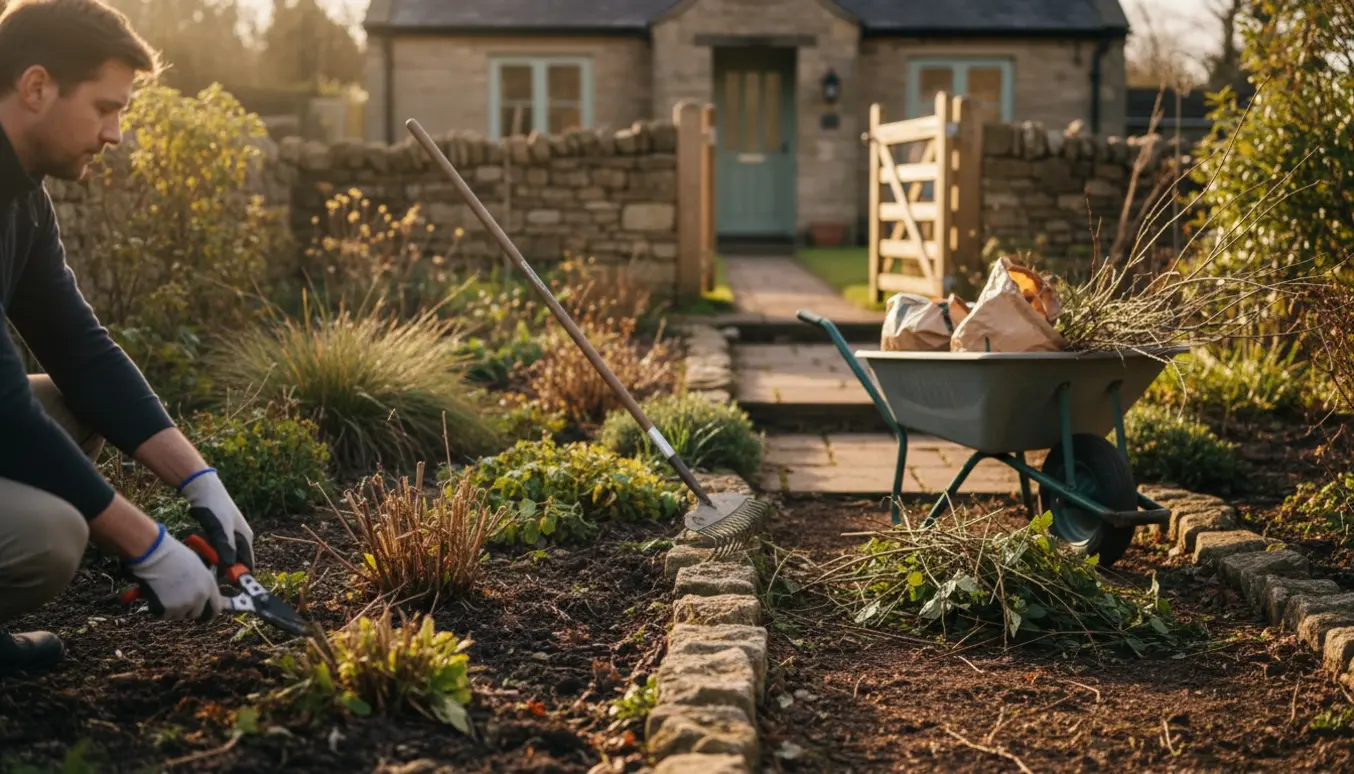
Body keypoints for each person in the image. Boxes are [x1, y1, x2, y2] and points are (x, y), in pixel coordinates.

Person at [0, 0, 256, 676]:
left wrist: (200, 481)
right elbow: (2, 413)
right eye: (106, 108)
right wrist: (149, 546)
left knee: (73, 401)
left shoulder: (21, 193)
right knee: (47, 536)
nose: (116, 134)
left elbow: (80, 348)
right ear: (35, 87)